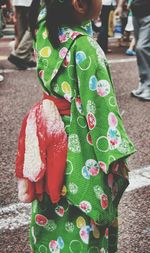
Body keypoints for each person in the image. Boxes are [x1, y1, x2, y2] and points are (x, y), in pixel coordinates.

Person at [15, 0, 136, 252]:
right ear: (79, 4)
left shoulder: (46, 31)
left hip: (49, 134)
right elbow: (101, 110)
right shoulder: (85, 47)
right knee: (84, 203)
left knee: (52, 199)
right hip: (81, 143)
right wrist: (113, 157)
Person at [115, 0, 150, 100]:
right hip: (136, 13)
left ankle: (148, 87)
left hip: (148, 13)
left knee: (142, 48)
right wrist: (120, 6)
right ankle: (143, 84)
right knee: (141, 51)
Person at [8, 0, 36, 69]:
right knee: (34, 26)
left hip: (18, 2)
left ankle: (25, 57)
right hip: (31, 2)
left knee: (22, 27)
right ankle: (20, 54)